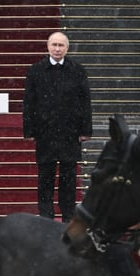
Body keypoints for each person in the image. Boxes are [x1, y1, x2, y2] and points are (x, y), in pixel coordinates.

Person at [23, 31, 92, 223]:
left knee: (68, 179)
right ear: (47, 46)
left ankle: (68, 215)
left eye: (61, 45)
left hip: (71, 133)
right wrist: (29, 130)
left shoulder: (77, 70)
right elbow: (29, 102)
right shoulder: (36, 70)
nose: (57, 48)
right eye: (54, 44)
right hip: (45, 133)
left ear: (67, 48)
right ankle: (46, 216)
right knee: (45, 176)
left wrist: (86, 130)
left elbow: (85, 101)